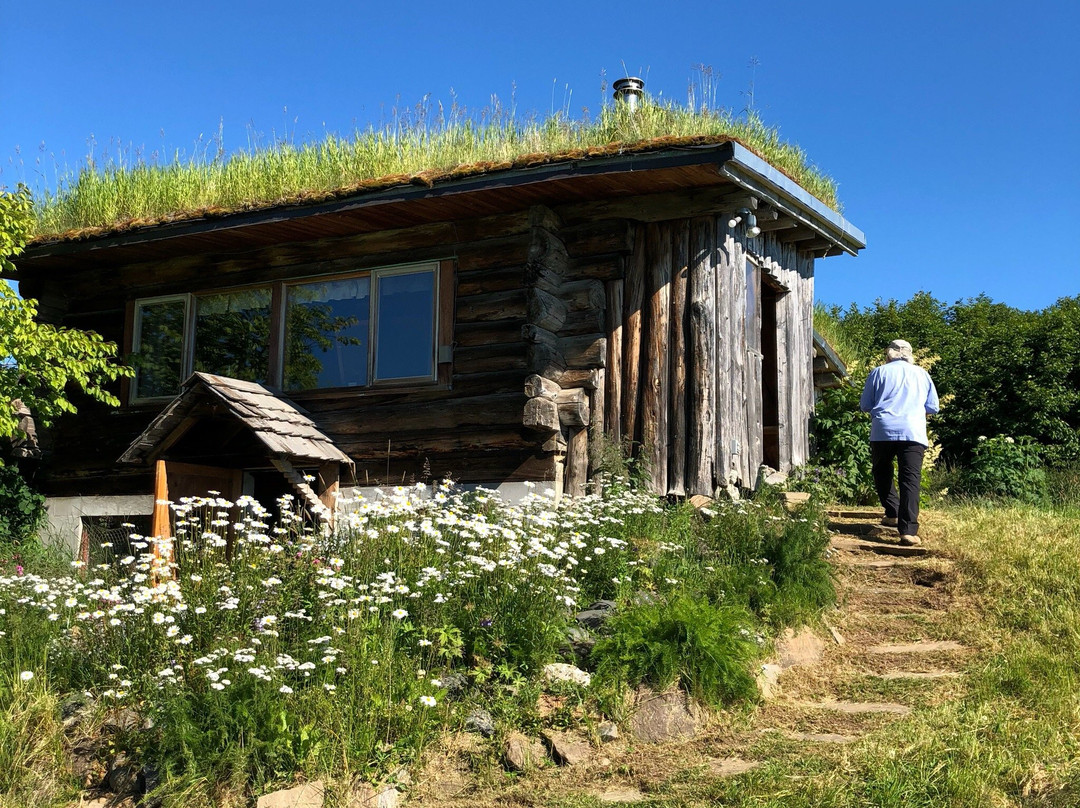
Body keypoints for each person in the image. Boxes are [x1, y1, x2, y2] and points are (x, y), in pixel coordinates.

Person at [859, 339, 939, 545]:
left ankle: (892, 511)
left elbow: (865, 405)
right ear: (910, 355)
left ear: (889, 354)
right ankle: (908, 531)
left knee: (881, 471)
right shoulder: (922, 374)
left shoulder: (878, 372)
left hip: (883, 430)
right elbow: (933, 407)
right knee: (910, 479)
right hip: (913, 432)